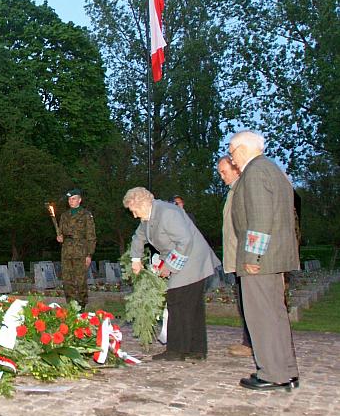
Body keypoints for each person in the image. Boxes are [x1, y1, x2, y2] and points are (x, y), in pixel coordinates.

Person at [229, 130, 299, 391]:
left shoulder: (255, 172)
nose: (232, 158)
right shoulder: (273, 170)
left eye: (232, 151)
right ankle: (286, 370)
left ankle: (272, 374)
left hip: (261, 260)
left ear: (244, 148)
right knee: (276, 315)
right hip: (275, 258)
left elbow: (259, 219)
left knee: (262, 317)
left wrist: (252, 256)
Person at [124, 187, 219, 361]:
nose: (134, 215)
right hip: (185, 260)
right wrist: (135, 260)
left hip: (193, 260)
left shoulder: (167, 212)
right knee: (191, 306)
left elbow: (185, 241)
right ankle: (196, 351)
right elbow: (138, 238)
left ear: (142, 204)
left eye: (134, 210)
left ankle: (176, 350)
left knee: (177, 301)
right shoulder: (148, 217)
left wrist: (168, 266)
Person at [217, 156, 253, 358]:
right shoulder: (233, 191)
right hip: (236, 258)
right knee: (243, 303)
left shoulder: (243, 190)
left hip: (244, 258)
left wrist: (249, 256)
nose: (222, 177)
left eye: (224, 172)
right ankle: (248, 342)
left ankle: (252, 344)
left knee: (250, 304)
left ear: (236, 169)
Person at [56, 188, 96, 307]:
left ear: (79, 200)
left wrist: (89, 254)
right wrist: (60, 238)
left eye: (73, 199)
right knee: (67, 280)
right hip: (67, 250)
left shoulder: (86, 215)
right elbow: (61, 232)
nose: (71, 201)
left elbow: (91, 236)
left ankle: (81, 304)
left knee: (80, 280)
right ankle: (71, 305)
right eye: (69, 199)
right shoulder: (64, 215)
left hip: (80, 250)